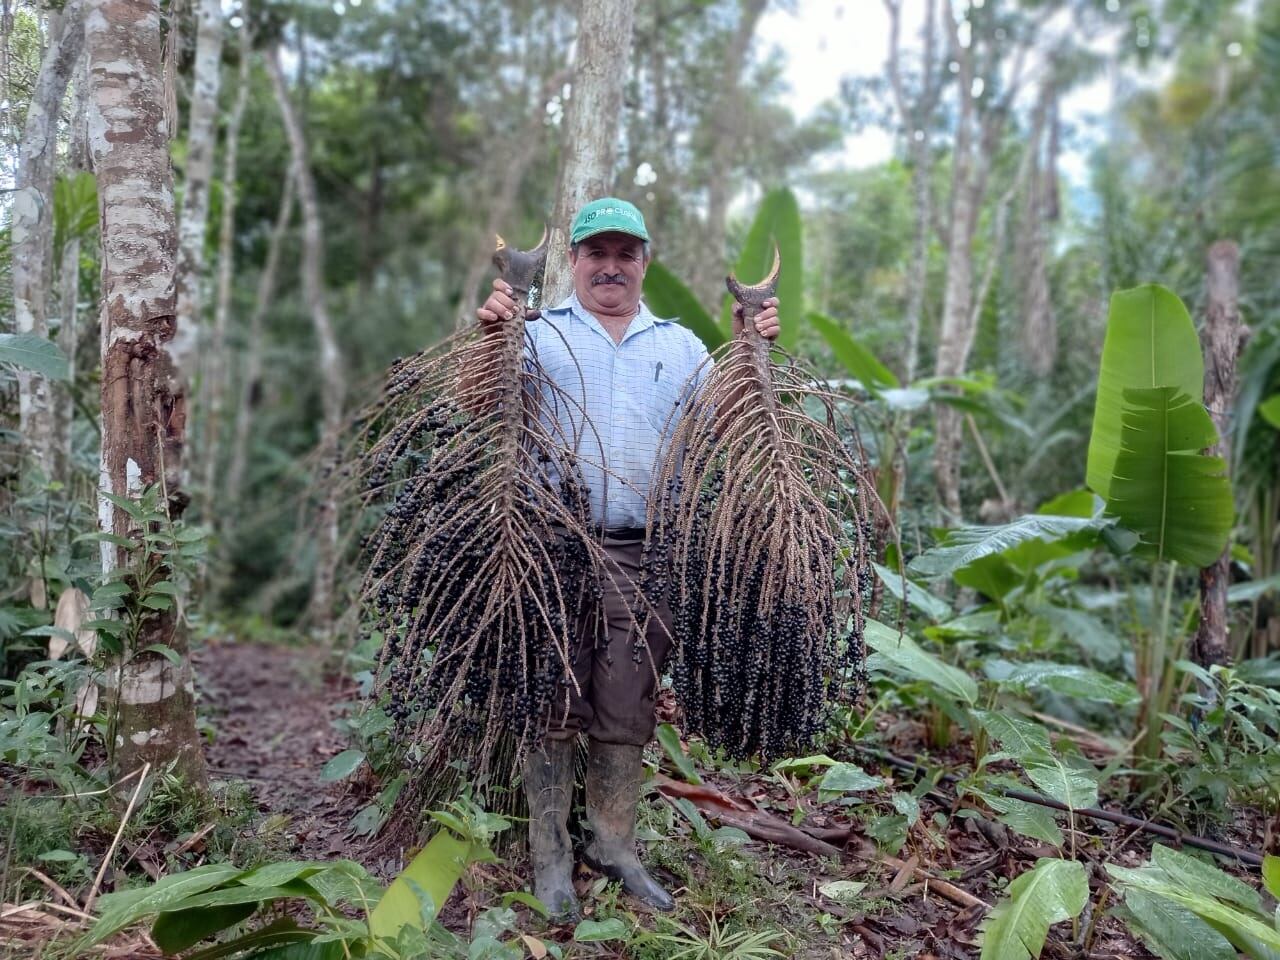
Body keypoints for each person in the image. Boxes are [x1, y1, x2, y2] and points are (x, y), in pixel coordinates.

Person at [477, 197, 779, 920]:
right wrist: (489, 341)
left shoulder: (679, 348)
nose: (610, 267)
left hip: (643, 555)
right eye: (595, 254)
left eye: (626, 254)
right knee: (548, 698)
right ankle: (549, 855)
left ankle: (611, 843)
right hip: (549, 547)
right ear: (573, 261)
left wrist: (752, 351)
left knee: (625, 707)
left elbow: (730, 429)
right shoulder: (537, 335)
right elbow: (477, 406)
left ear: (645, 263)